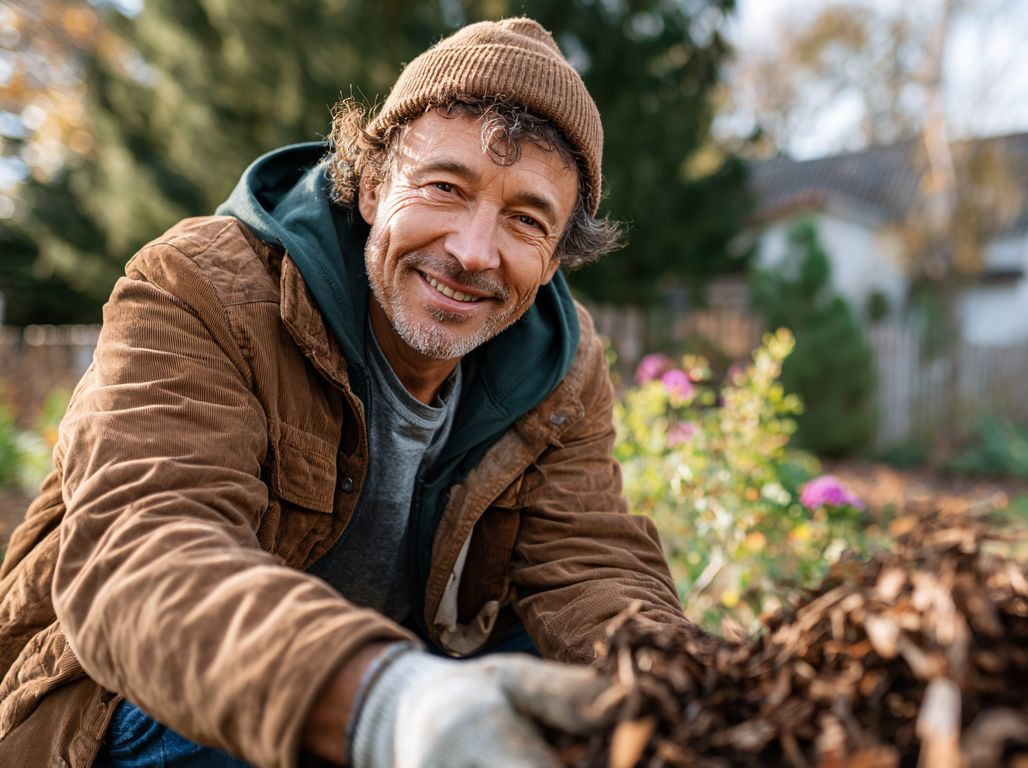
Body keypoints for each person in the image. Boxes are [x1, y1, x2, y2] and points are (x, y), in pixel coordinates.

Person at [0, 17, 692, 768]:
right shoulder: (200, 285)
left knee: (601, 700)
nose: (471, 251)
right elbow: (142, 558)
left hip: (406, 689)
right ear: (370, 186)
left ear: (556, 257)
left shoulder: (562, 364)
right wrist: (388, 702)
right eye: (444, 188)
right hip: (140, 699)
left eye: (525, 220)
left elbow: (588, 566)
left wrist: (696, 706)